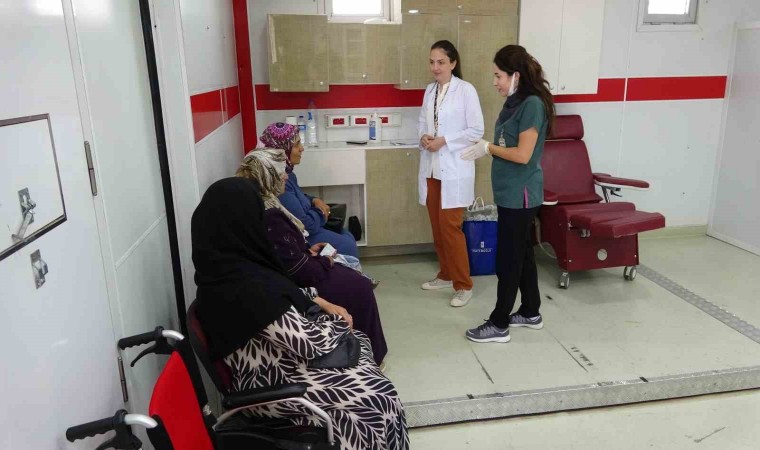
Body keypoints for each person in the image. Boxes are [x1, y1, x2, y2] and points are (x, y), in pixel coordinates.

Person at [192, 177, 408, 450]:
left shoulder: (227, 267)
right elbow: (308, 343)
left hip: (279, 363)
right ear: (242, 223)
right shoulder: (243, 287)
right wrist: (338, 324)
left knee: (368, 365)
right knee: (376, 399)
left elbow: (281, 291)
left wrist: (319, 301)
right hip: (270, 383)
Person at [236, 148, 388, 365]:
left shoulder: (268, 201)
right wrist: (324, 260)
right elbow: (299, 271)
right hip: (299, 282)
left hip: (301, 265)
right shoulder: (270, 216)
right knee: (360, 287)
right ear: (267, 177)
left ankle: (365, 349)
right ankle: (369, 357)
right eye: (280, 172)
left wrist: (308, 251)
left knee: (353, 273)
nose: (285, 176)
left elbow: (286, 252)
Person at [461, 44, 556, 343]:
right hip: (508, 192)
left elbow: (523, 155)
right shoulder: (514, 102)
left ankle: (499, 323)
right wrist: (487, 147)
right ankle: (530, 311)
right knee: (523, 253)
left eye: (498, 76)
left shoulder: (532, 105)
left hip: (521, 195)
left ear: (516, 75)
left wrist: (487, 148)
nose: (495, 82)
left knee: (508, 260)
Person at [416, 40, 484, 307]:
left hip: (454, 169)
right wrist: (423, 136)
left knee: (451, 228)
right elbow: (422, 122)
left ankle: (463, 285)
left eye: (441, 62)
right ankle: (445, 274)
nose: (435, 67)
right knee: (437, 226)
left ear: (453, 63)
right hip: (432, 168)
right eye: (432, 62)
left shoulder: (466, 90)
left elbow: (476, 131)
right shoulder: (429, 90)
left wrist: (444, 141)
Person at [259, 122, 359, 257]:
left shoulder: (287, 173)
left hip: (310, 225)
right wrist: (322, 213)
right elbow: (306, 225)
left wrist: (314, 200)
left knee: (347, 235)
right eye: (296, 145)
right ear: (282, 150)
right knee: (347, 245)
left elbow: (298, 196)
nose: (302, 148)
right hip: (301, 236)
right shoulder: (280, 182)